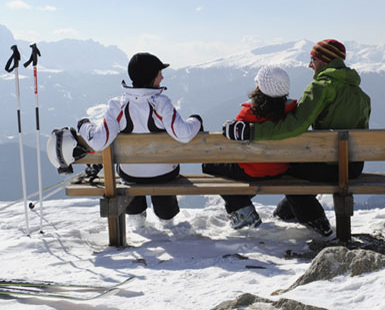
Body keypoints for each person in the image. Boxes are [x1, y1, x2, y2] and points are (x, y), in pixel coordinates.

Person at [222, 39, 371, 237]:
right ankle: (286, 214)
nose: (310, 65)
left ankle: (314, 218)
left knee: (286, 167)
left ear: (325, 61)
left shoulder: (320, 87)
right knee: (296, 167)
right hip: (352, 168)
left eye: (313, 59)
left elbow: (295, 125)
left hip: (327, 167)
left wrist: (251, 132)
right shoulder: (361, 95)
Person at [77, 52, 203, 227]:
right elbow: (184, 134)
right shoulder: (161, 103)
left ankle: (137, 218)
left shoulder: (117, 106)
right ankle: (167, 218)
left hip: (131, 175)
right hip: (164, 175)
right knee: (161, 173)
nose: (162, 76)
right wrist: (196, 120)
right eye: (159, 73)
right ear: (151, 76)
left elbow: (99, 142)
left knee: (130, 174)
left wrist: (84, 125)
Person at [203, 65, 297, 230]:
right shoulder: (293, 113)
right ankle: (245, 207)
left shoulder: (248, 115)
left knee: (209, 165)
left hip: (251, 171)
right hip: (282, 168)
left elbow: (233, 144)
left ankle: (242, 209)